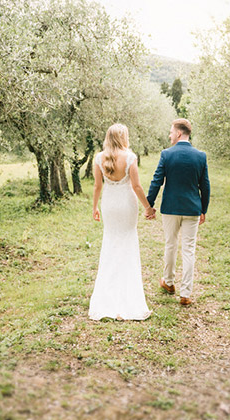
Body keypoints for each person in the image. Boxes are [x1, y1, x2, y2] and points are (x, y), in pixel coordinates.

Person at [88, 123, 155, 321]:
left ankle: (107, 298)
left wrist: (94, 207)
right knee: (127, 243)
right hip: (126, 205)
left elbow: (97, 187)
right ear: (123, 137)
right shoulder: (130, 158)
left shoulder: (99, 158)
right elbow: (136, 186)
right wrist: (148, 207)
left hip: (109, 204)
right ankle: (128, 298)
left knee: (110, 244)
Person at [146, 118, 210, 306]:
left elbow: (156, 181)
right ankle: (186, 294)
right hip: (192, 208)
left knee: (170, 244)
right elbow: (205, 185)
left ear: (179, 133)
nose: (169, 135)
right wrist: (203, 209)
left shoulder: (167, 154)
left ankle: (169, 282)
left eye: (171, 132)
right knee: (189, 249)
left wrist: (149, 205)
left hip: (171, 209)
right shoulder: (200, 156)